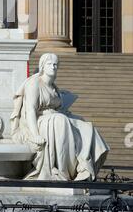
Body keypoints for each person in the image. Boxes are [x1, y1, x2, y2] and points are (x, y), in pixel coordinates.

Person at [10, 53, 109, 181]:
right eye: (49, 64)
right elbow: (30, 111)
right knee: (60, 121)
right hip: (39, 121)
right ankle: (63, 172)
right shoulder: (34, 84)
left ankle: (84, 168)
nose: (53, 66)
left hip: (54, 117)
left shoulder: (54, 87)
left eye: (56, 64)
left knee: (85, 125)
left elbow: (57, 108)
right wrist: (35, 135)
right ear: (42, 67)